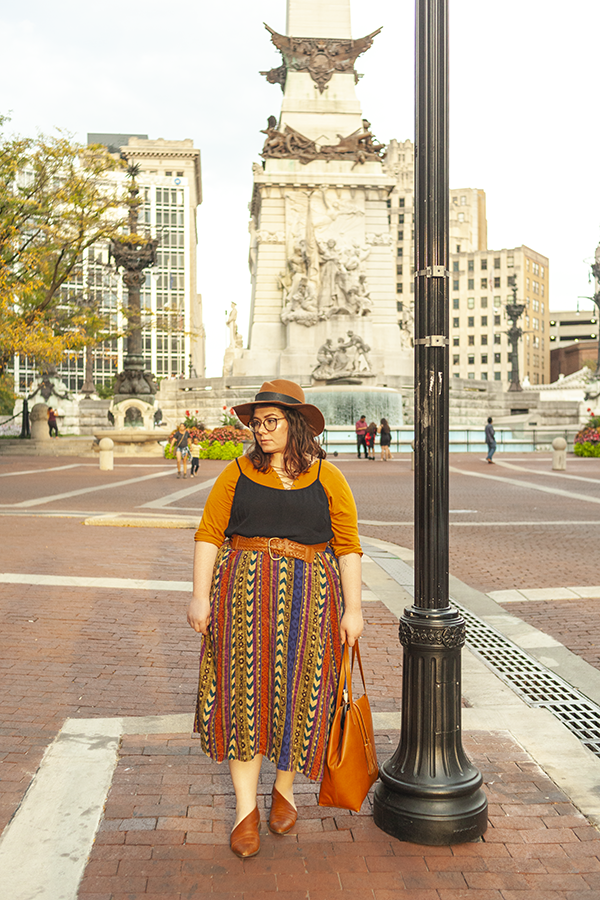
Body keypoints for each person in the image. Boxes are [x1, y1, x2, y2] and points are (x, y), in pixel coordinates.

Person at [187, 379, 363, 859]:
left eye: (271, 421)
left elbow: (348, 546)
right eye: (256, 422)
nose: (261, 430)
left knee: (300, 694)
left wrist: (354, 609)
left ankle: (284, 790)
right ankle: (245, 811)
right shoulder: (237, 472)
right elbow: (209, 534)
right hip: (241, 598)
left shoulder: (328, 476)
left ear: (296, 424)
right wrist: (199, 597)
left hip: (312, 602)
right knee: (242, 696)